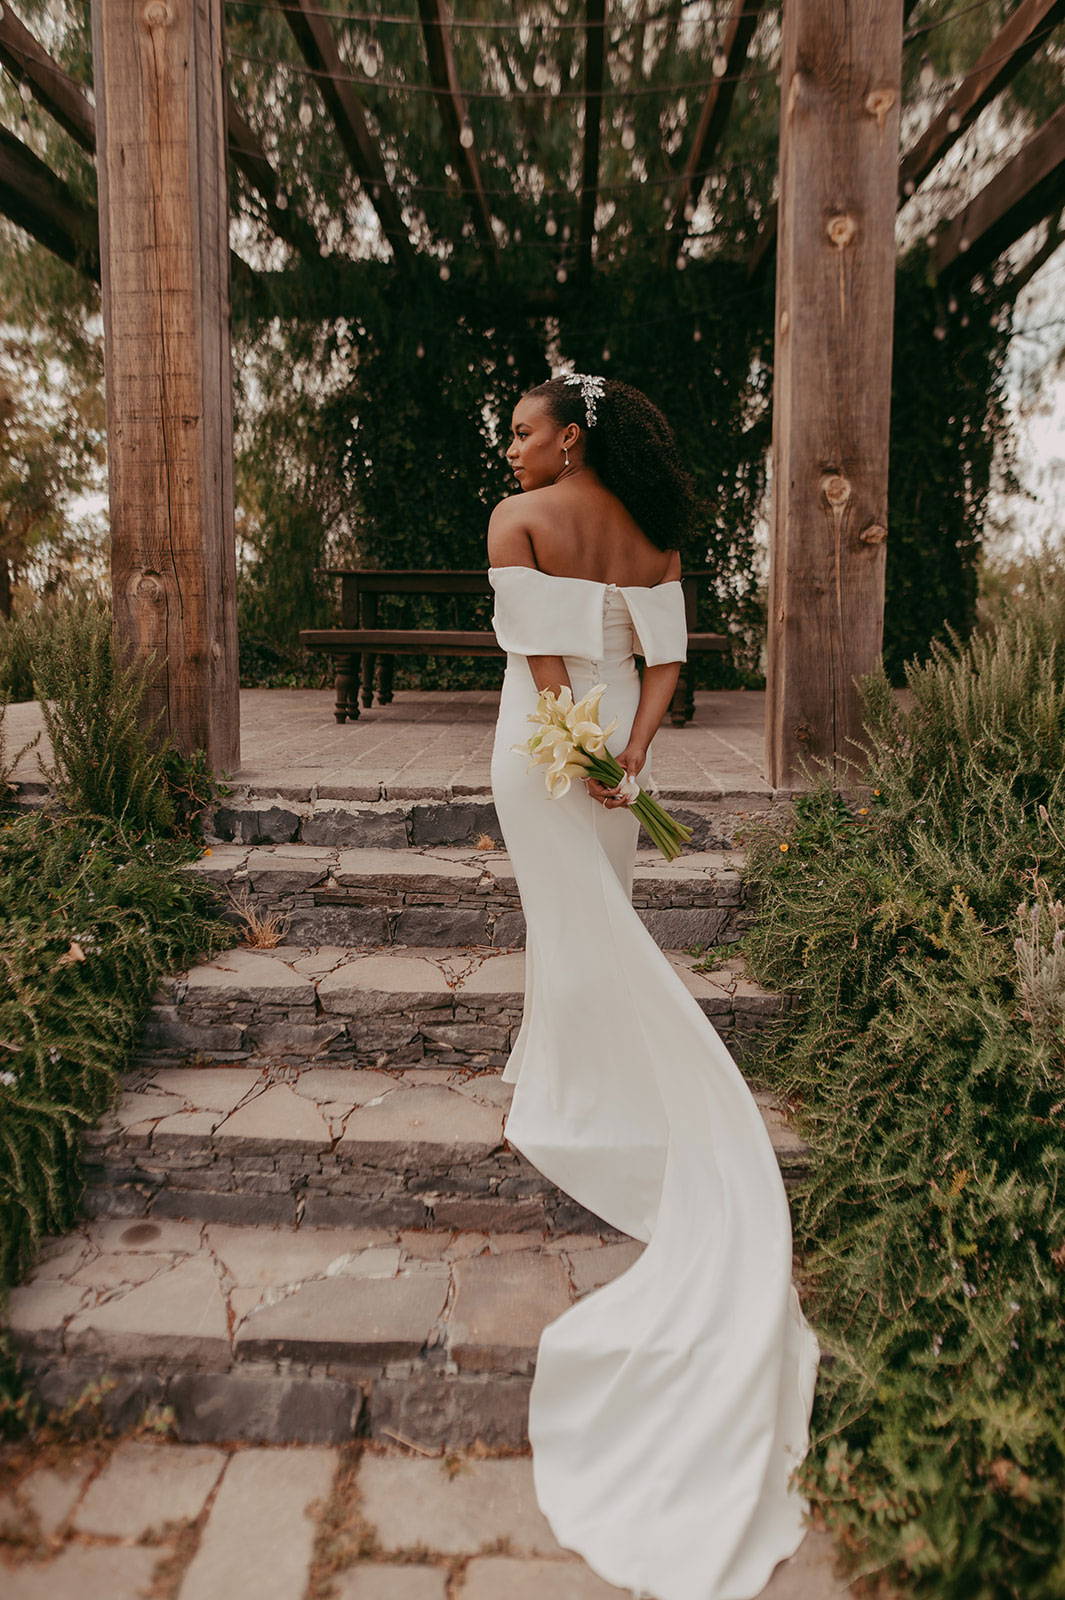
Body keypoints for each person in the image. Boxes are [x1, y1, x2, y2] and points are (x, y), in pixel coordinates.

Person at [485, 372, 822, 1600]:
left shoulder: (515, 522)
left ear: (571, 435)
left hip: (542, 746)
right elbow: (661, 667)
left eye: (523, 429)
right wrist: (626, 761)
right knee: (597, 914)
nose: (510, 446)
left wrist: (573, 751)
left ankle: (596, 1083)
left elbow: (544, 664)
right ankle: (569, 1062)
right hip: (612, 752)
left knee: (570, 920)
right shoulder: (657, 532)